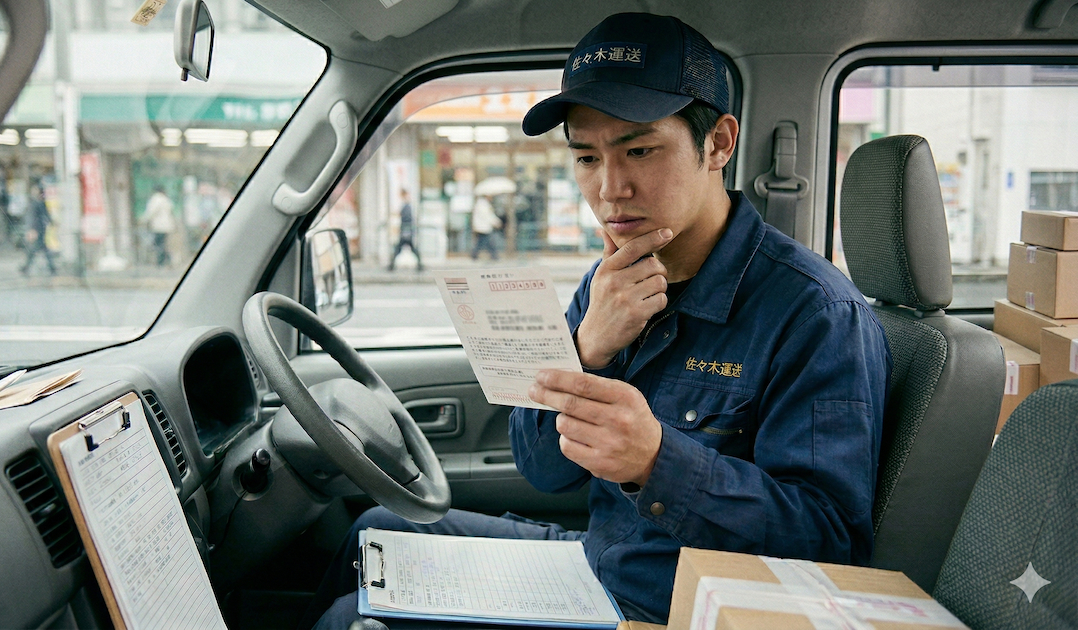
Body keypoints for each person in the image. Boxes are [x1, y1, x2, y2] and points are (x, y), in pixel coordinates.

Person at [301, 12, 890, 628]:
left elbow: (832, 545)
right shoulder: (606, 282)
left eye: (639, 150)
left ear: (717, 143)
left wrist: (656, 462)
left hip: (663, 608)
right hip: (594, 564)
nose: (610, 189)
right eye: (586, 157)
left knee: (349, 620)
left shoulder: (818, 315)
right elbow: (542, 468)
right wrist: (585, 351)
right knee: (375, 529)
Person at [20, 183, 56, 276]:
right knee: (37, 249)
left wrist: (31, 229)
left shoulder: (37, 203)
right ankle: (51, 267)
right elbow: (32, 217)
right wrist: (31, 230)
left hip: (38, 229)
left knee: (35, 249)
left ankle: (26, 267)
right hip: (37, 230)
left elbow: (42, 215)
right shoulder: (36, 203)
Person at [387, 190, 424, 272]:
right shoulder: (407, 206)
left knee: (400, 248)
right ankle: (419, 265)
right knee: (407, 248)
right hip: (407, 230)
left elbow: (406, 218)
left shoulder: (406, 206)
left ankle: (392, 265)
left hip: (406, 231)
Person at [142, 185, 176, 267]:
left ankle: (162, 261)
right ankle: (167, 259)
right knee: (162, 243)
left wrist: (144, 220)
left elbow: (151, 211)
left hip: (159, 226)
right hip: (167, 225)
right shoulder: (166, 199)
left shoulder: (156, 199)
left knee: (158, 244)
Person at [470, 193, 502, 260]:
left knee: (482, 242)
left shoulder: (483, 204)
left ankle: (475, 254)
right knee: (488, 242)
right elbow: (488, 216)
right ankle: (494, 255)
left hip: (483, 227)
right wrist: (496, 222)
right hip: (483, 227)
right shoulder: (482, 205)